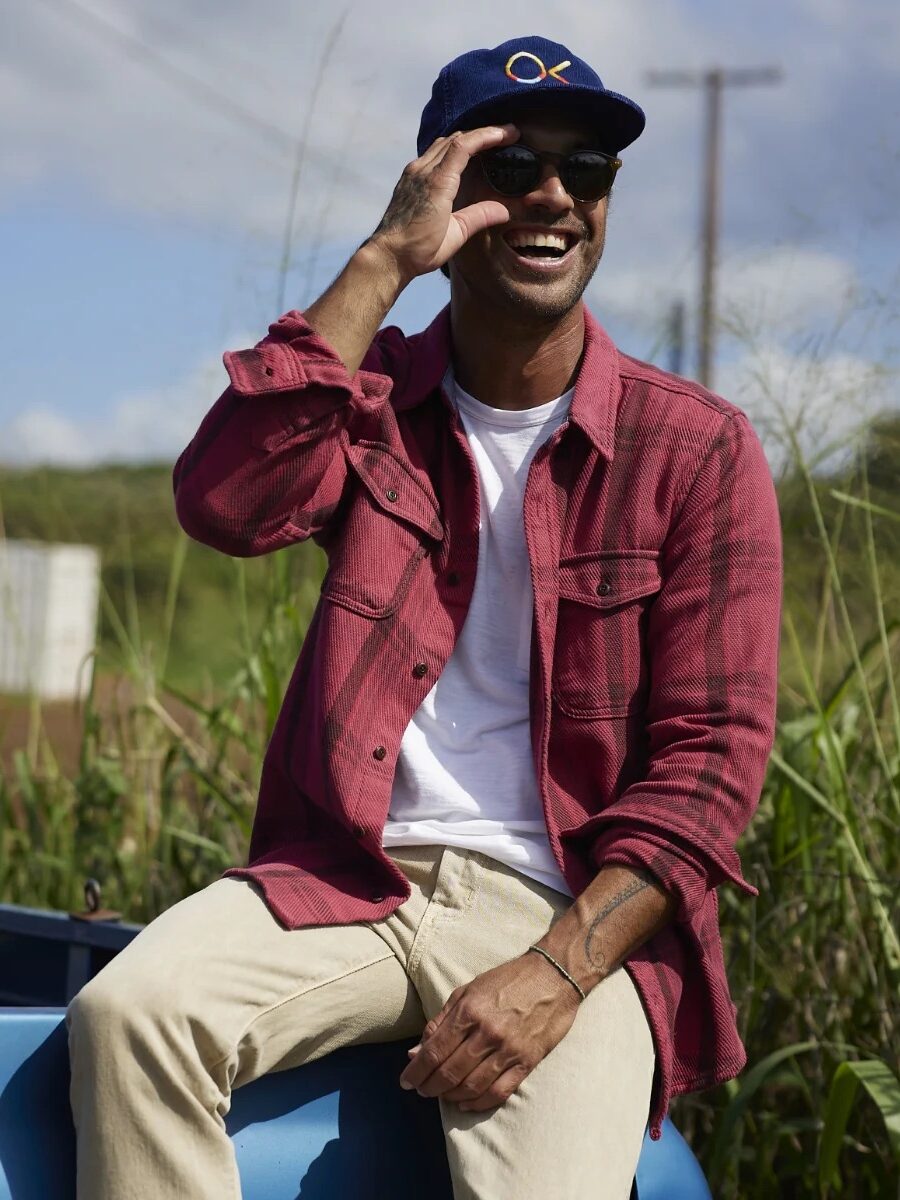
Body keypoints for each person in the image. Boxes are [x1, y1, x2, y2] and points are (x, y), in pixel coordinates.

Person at [66, 34, 782, 1200]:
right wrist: (385, 262)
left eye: (587, 170)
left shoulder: (696, 449)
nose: (554, 195)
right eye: (511, 165)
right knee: (129, 1018)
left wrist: (554, 971)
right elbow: (226, 504)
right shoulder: (374, 397)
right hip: (350, 875)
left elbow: (709, 773)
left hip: (566, 907)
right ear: (441, 188)